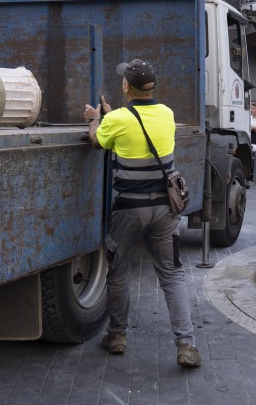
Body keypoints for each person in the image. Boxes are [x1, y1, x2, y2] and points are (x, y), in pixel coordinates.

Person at [83, 59, 201, 368]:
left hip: (129, 211)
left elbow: (97, 142)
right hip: (165, 210)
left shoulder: (117, 119)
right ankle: (186, 344)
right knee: (172, 275)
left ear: (125, 86)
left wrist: (96, 119)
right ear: (153, 87)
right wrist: (110, 117)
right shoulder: (167, 114)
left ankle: (117, 336)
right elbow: (135, 127)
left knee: (118, 272)